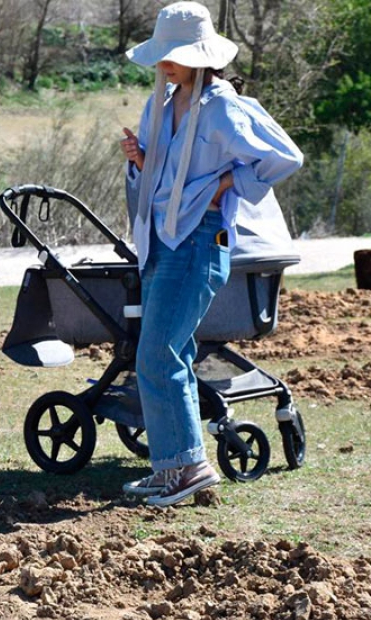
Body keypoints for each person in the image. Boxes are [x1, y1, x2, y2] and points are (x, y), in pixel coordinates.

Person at [118, 1, 303, 507]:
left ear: (202, 55)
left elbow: (285, 157)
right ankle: (171, 466)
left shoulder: (224, 104)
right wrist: (139, 159)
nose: (165, 63)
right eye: (162, 55)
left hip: (199, 239)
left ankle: (188, 467)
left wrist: (230, 182)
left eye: (175, 55)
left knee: (158, 353)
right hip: (160, 238)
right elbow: (158, 174)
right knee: (160, 353)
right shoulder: (160, 103)